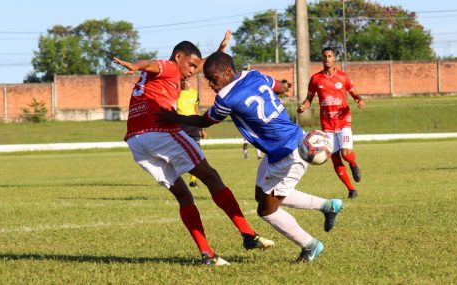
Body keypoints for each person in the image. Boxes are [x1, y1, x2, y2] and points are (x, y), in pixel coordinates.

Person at [156, 51, 343, 263]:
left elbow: (204, 121)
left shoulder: (226, 97)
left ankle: (310, 245)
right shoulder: (254, 75)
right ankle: (329, 206)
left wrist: (174, 117)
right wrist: (283, 89)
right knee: (262, 194)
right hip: (287, 144)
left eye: (212, 78)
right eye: (207, 80)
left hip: (287, 155)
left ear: (227, 71)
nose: (210, 84)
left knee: (267, 210)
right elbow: (280, 87)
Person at [112, 31, 274, 266]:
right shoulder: (168, 66)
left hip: (136, 141)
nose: (192, 71)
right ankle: (248, 235)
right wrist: (135, 65)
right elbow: (149, 64)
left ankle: (207, 255)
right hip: (159, 132)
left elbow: (201, 63)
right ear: (178, 56)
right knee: (212, 177)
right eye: (190, 65)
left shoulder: (176, 70)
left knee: (184, 195)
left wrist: (221, 49)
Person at [297, 47, 365, 199]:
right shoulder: (316, 79)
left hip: (343, 121)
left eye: (330, 56)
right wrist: (303, 107)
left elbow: (355, 94)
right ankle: (351, 189)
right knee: (334, 158)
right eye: (325, 56)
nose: (327, 58)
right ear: (322, 59)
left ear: (334, 58)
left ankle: (353, 165)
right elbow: (309, 99)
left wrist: (359, 100)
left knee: (346, 154)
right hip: (327, 125)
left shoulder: (343, 77)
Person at [177, 77, 207, 188]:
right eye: (183, 80)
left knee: (196, 153)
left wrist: (202, 128)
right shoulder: (175, 93)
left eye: (187, 80)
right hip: (180, 125)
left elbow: (196, 110)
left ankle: (193, 181)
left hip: (193, 125)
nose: (185, 82)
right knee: (181, 153)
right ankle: (173, 177)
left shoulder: (194, 94)